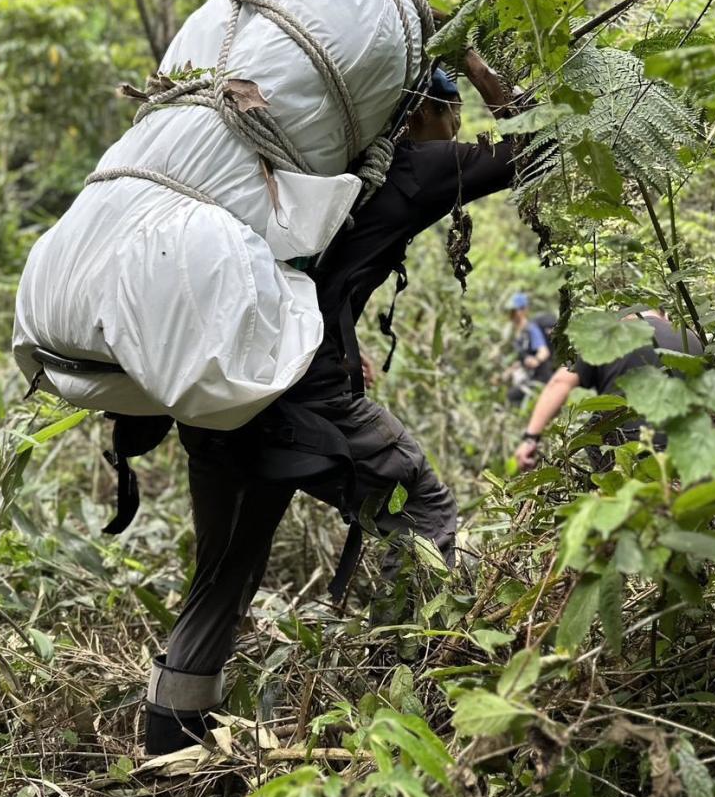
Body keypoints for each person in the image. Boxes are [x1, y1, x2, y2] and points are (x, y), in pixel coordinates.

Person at [145, 50, 526, 754]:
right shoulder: (412, 170)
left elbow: (296, 272)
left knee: (225, 569)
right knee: (424, 510)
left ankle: (169, 744)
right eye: (452, 115)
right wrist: (473, 60)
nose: (457, 128)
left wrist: (342, 339)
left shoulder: (305, 173)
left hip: (222, 394)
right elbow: (540, 146)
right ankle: (408, 704)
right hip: (306, 404)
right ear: (419, 111)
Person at [514, 309, 705, 472]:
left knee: (594, 425)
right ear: (666, 316)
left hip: (633, 449)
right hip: (693, 447)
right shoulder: (691, 338)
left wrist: (531, 438)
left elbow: (560, 383)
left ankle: (610, 490)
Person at [505, 293, 553, 405]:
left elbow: (544, 352)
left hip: (540, 379)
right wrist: (509, 370)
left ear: (523, 311)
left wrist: (536, 360)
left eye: (514, 311)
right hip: (530, 378)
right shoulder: (517, 333)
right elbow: (523, 357)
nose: (511, 314)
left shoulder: (531, 329)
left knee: (512, 397)